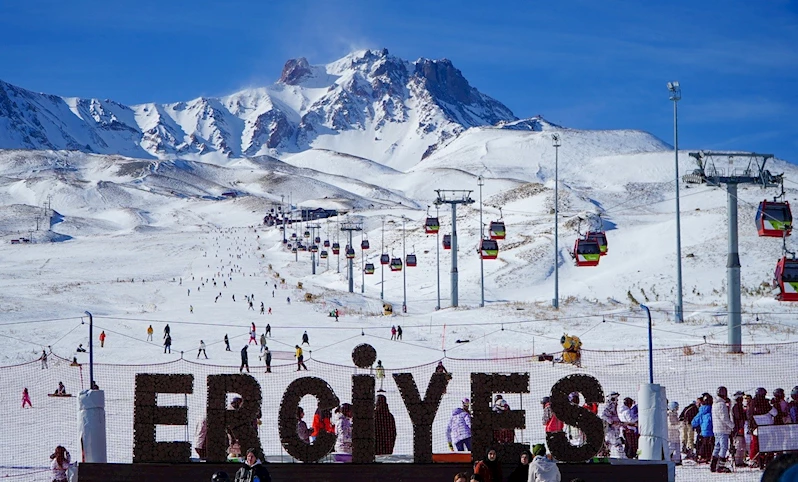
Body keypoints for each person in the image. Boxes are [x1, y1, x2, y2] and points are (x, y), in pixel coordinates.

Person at [712, 386, 733, 473]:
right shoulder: (721, 405)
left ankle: (713, 465)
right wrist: (732, 425)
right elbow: (724, 418)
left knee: (717, 446)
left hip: (716, 428)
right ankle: (720, 466)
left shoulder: (715, 403)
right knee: (724, 447)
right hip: (722, 429)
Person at [747, 387, 770, 468]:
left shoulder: (752, 403)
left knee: (756, 444)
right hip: (763, 428)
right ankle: (756, 460)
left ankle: (757, 460)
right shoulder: (764, 403)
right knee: (761, 445)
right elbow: (774, 412)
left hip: (755, 428)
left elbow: (749, 415)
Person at [692, 393, 714, 464]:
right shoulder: (713, 409)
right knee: (711, 444)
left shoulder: (701, 411)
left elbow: (694, 421)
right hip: (713, 430)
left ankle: (702, 456)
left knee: (704, 443)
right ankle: (710, 456)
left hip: (704, 430)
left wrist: (695, 425)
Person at [601, 392, 624, 458]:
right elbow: (604, 415)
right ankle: (623, 458)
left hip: (612, 429)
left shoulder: (613, 405)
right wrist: (612, 422)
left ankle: (604, 457)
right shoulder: (610, 405)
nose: (617, 400)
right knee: (618, 444)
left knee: (608, 444)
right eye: (615, 398)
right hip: (611, 429)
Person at [731, 391, 748, 467]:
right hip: (737, 428)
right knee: (738, 444)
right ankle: (737, 461)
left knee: (742, 445)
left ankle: (740, 460)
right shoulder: (736, 406)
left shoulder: (739, 406)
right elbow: (738, 417)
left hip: (740, 427)